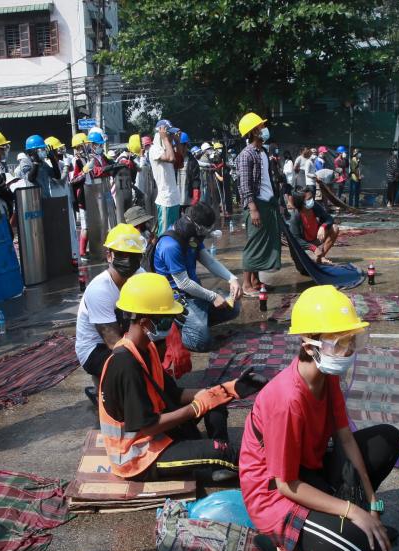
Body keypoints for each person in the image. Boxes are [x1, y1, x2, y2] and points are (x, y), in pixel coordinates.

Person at [239, 286, 399, 551]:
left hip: (307, 470)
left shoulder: (328, 377)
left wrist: (372, 502)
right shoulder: (285, 399)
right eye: (340, 342)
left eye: (352, 341)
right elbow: (285, 484)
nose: (349, 350)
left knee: (388, 439)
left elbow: (346, 438)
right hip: (274, 492)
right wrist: (351, 511)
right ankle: (283, 542)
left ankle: (337, 525)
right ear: (309, 344)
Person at [98, 272, 265, 482]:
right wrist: (196, 408)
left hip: (157, 435)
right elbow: (148, 426)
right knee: (225, 451)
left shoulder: (146, 349)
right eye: (167, 318)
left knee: (214, 397)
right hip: (139, 457)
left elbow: (173, 394)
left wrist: (226, 390)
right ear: (145, 322)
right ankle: (225, 457)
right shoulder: (125, 365)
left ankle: (215, 460)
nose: (172, 325)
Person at [151, 203, 241, 351]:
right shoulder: (170, 245)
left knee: (234, 306)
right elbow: (183, 284)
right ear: (197, 227)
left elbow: (209, 261)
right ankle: (178, 324)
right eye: (206, 230)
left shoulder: (192, 237)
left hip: (193, 294)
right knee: (201, 342)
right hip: (177, 298)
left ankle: (197, 322)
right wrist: (212, 297)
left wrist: (232, 278)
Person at [76, 223, 146, 405]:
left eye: (134, 256)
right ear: (109, 255)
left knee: (155, 348)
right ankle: (107, 395)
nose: (128, 260)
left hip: (124, 334)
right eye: (122, 255)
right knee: (129, 364)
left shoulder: (140, 275)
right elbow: (114, 343)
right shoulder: (100, 290)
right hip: (95, 348)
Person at [236, 112, 281, 295]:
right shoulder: (246, 154)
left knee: (264, 243)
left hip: (267, 203)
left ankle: (256, 281)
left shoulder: (262, 152)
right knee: (254, 244)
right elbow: (245, 184)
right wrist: (252, 208)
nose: (264, 129)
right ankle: (246, 284)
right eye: (261, 127)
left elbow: (267, 180)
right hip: (256, 205)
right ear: (254, 131)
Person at [287, 188, 339, 263]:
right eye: (309, 199)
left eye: (312, 198)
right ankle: (315, 255)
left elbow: (329, 218)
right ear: (301, 202)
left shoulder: (315, 206)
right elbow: (296, 239)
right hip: (305, 244)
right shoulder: (295, 217)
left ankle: (321, 257)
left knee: (334, 228)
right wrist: (313, 248)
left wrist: (323, 227)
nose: (312, 201)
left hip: (317, 238)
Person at [149, 120, 182, 235]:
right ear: (160, 133)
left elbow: (179, 163)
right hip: (165, 200)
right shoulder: (154, 149)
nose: (171, 136)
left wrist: (177, 142)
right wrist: (165, 139)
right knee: (164, 234)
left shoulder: (167, 148)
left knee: (174, 233)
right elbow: (171, 158)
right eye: (169, 134)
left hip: (174, 199)